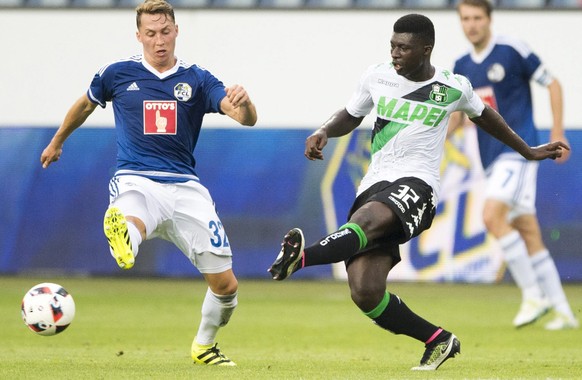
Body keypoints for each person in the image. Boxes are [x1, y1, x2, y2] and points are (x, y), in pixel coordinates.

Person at [267, 13, 568, 371]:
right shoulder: (376, 76)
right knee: (365, 291)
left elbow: (487, 117)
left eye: (404, 48)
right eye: (392, 46)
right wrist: (324, 131)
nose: (395, 53)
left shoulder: (451, 87)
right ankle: (438, 340)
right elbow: (350, 114)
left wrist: (529, 150)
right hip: (375, 183)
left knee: (367, 219)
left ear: (426, 50)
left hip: (418, 186)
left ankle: (300, 259)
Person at [40, 0, 257, 366]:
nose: (160, 41)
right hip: (137, 177)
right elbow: (85, 104)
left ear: (176, 31)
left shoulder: (198, 79)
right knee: (131, 212)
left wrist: (246, 103)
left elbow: (244, 118)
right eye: (152, 34)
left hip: (186, 187)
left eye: (166, 32)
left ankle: (204, 346)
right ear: (139, 36)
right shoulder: (118, 73)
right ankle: (125, 237)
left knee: (227, 288)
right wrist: (58, 140)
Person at [448, 0, 578, 330]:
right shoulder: (461, 65)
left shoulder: (512, 50)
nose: (471, 24)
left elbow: (553, 83)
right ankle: (564, 313)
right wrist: (435, 140)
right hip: (491, 159)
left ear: (489, 19)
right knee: (528, 232)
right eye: (465, 18)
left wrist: (558, 130)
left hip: (520, 152)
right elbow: (461, 116)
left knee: (491, 216)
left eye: (477, 17)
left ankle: (533, 295)